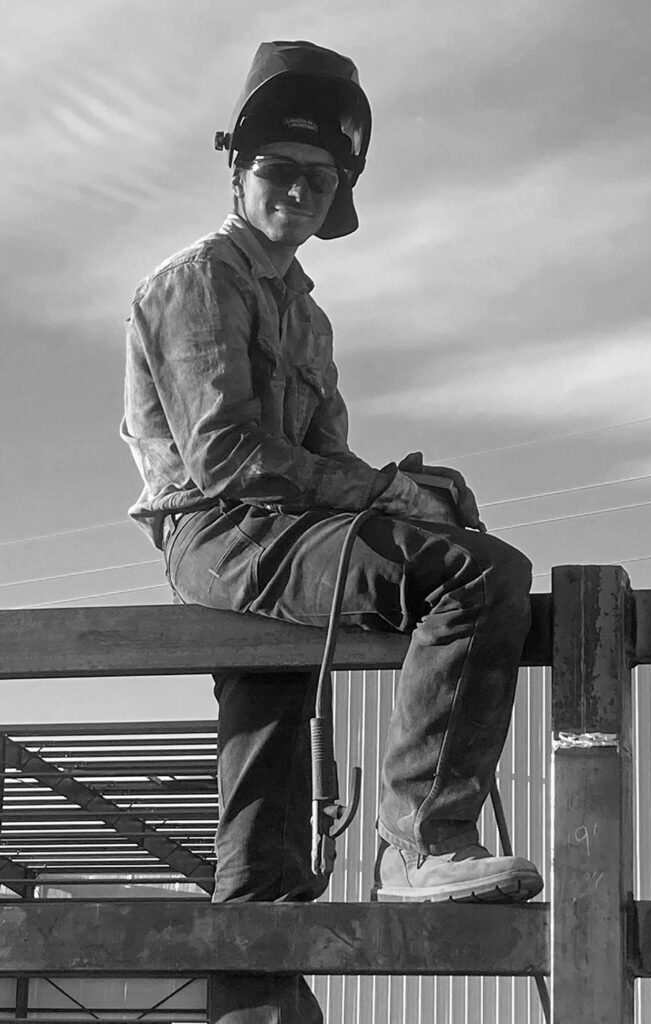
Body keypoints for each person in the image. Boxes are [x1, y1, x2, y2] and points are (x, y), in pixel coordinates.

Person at [122, 39, 542, 1023]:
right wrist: (394, 503)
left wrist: (407, 491)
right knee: (477, 577)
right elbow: (227, 460)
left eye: (321, 176)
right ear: (239, 169)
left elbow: (329, 466)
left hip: (285, 538)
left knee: (268, 752)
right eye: (279, 169)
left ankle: (257, 998)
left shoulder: (306, 319)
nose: (299, 190)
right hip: (221, 534)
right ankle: (427, 840)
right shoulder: (193, 283)